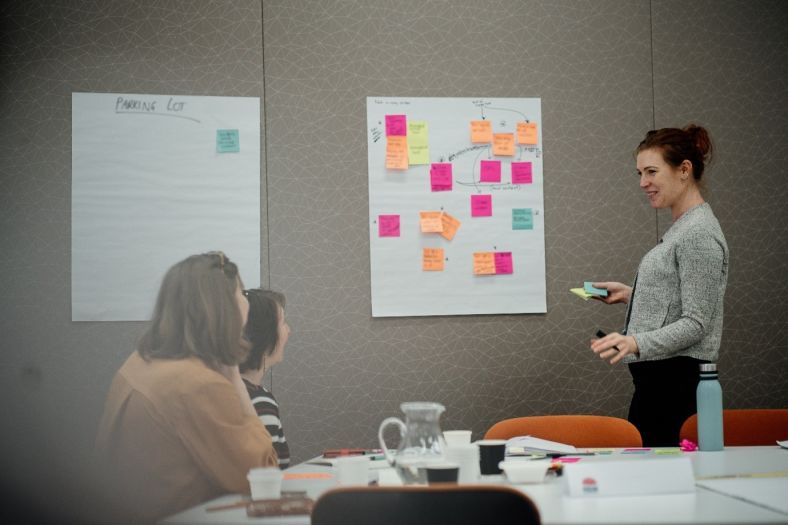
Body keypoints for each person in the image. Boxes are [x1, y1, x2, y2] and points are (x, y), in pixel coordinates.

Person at [95, 252, 278, 523]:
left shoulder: (139, 363)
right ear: (224, 306)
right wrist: (235, 378)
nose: (246, 303)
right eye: (242, 293)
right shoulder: (198, 385)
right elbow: (263, 474)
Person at [590, 124, 729, 447]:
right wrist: (633, 295)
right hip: (659, 386)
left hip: (674, 388)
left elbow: (696, 323)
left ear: (684, 170)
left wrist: (634, 342)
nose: (643, 183)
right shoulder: (685, 228)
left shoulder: (698, 235)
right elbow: (682, 298)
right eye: (639, 173)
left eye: (651, 171)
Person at [240, 289, 291, 468]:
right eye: (283, 323)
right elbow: (269, 473)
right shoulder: (259, 401)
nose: (289, 331)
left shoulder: (227, 389)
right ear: (266, 336)